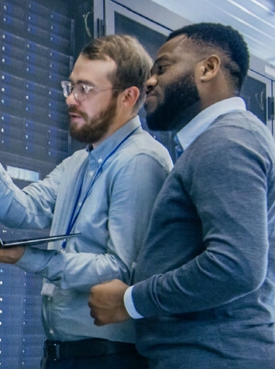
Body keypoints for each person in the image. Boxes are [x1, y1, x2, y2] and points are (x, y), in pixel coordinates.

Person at [0, 34, 173, 369]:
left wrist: (26, 257)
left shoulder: (140, 161)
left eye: (85, 89)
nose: (71, 99)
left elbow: (122, 271)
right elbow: (24, 209)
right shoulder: (80, 163)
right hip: (63, 355)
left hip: (109, 358)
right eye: (71, 86)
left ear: (128, 96)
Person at [88, 23, 275, 368]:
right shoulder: (227, 140)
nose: (149, 82)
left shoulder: (226, 142)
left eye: (162, 68)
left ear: (208, 68)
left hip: (213, 357)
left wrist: (129, 301)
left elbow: (236, 267)